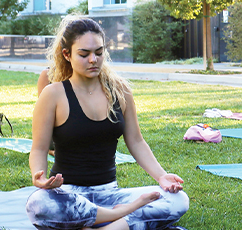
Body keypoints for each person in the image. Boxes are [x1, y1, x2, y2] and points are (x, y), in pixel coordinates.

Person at [26, 16, 189, 230]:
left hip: (110, 193)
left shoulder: (120, 90)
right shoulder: (53, 94)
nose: (93, 60)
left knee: (178, 200)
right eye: (84, 54)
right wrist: (38, 175)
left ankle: (100, 225)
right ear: (67, 55)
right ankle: (119, 218)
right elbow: (39, 148)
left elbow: (137, 141)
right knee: (39, 204)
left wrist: (161, 176)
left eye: (99, 52)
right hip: (69, 195)